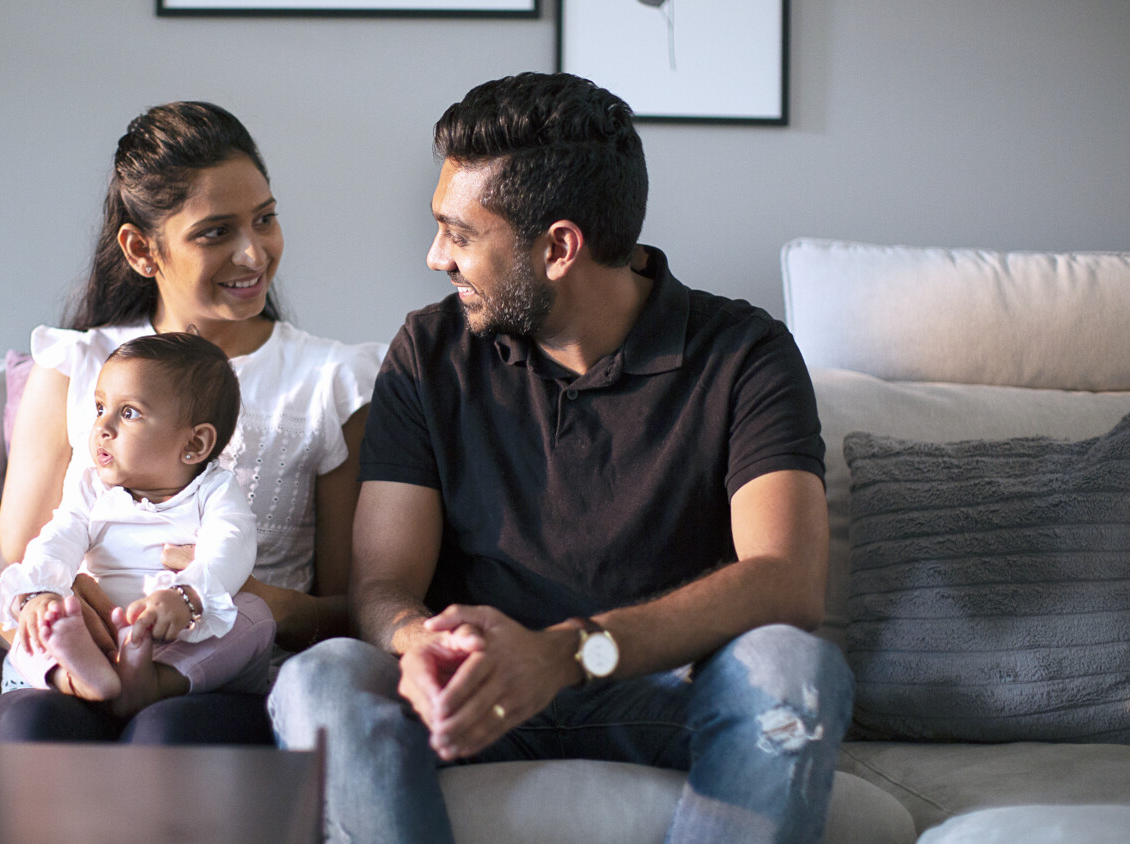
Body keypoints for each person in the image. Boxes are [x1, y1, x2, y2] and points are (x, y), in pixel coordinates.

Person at [269, 72, 854, 843]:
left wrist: (562, 654)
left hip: (662, 694)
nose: (435, 256)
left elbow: (787, 580)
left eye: (461, 233)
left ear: (559, 248)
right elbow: (382, 583)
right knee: (322, 679)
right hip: (471, 696)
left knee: (793, 668)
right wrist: (418, 644)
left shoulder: (744, 354)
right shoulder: (429, 350)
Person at [0, 101, 380, 745]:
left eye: (264, 220)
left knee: (167, 735)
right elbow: (3, 589)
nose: (253, 253)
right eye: (215, 232)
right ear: (140, 249)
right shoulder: (75, 368)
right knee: (31, 728)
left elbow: (355, 612)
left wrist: (236, 600)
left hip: (217, 678)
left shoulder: (333, 382)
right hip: (79, 655)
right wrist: (50, 611)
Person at [0, 334, 272, 716]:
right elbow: (60, 536)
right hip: (95, 631)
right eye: (99, 408)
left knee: (254, 613)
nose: (102, 427)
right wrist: (41, 591)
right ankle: (73, 676)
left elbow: (231, 544)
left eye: (129, 413)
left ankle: (154, 681)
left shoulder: (215, 490)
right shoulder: (92, 487)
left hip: (177, 630)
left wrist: (188, 597)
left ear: (195, 444)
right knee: (28, 612)